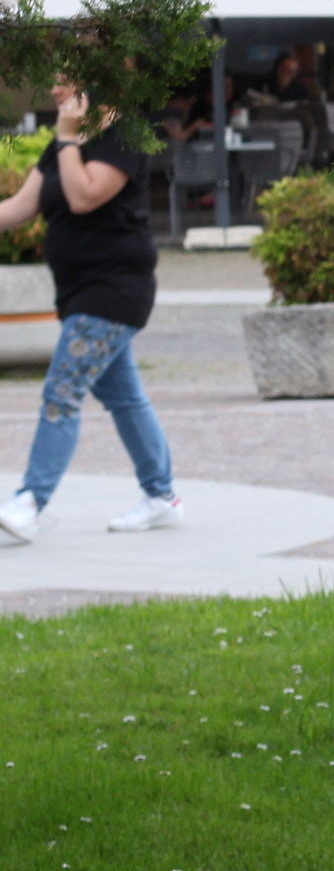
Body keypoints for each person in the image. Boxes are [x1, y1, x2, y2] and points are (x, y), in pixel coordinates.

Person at [0, 76, 181, 543]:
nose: (54, 93)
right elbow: (20, 206)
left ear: (97, 82)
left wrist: (65, 138)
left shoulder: (124, 137)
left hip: (114, 289)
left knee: (62, 393)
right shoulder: (61, 146)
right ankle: (161, 496)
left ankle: (30, 502)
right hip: (80, 293)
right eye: (54, 85)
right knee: (123, 397)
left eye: (64, 85)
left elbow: (83, 197)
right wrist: (64, 139)